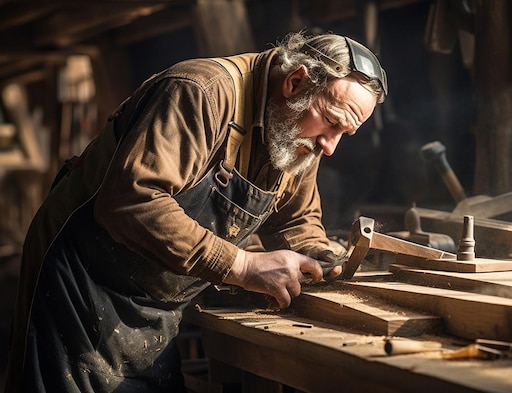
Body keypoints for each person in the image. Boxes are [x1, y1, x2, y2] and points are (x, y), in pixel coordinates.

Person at [4, 31, 387, 392]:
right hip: (80, 283)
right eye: (332, 122)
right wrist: (243, 266)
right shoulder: (200, 92)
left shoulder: (299, 131)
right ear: (296, 82)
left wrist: (319, 255)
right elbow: (132, 202)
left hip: (156, 303)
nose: (331, 146)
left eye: (344, 134)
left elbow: (296, 219)